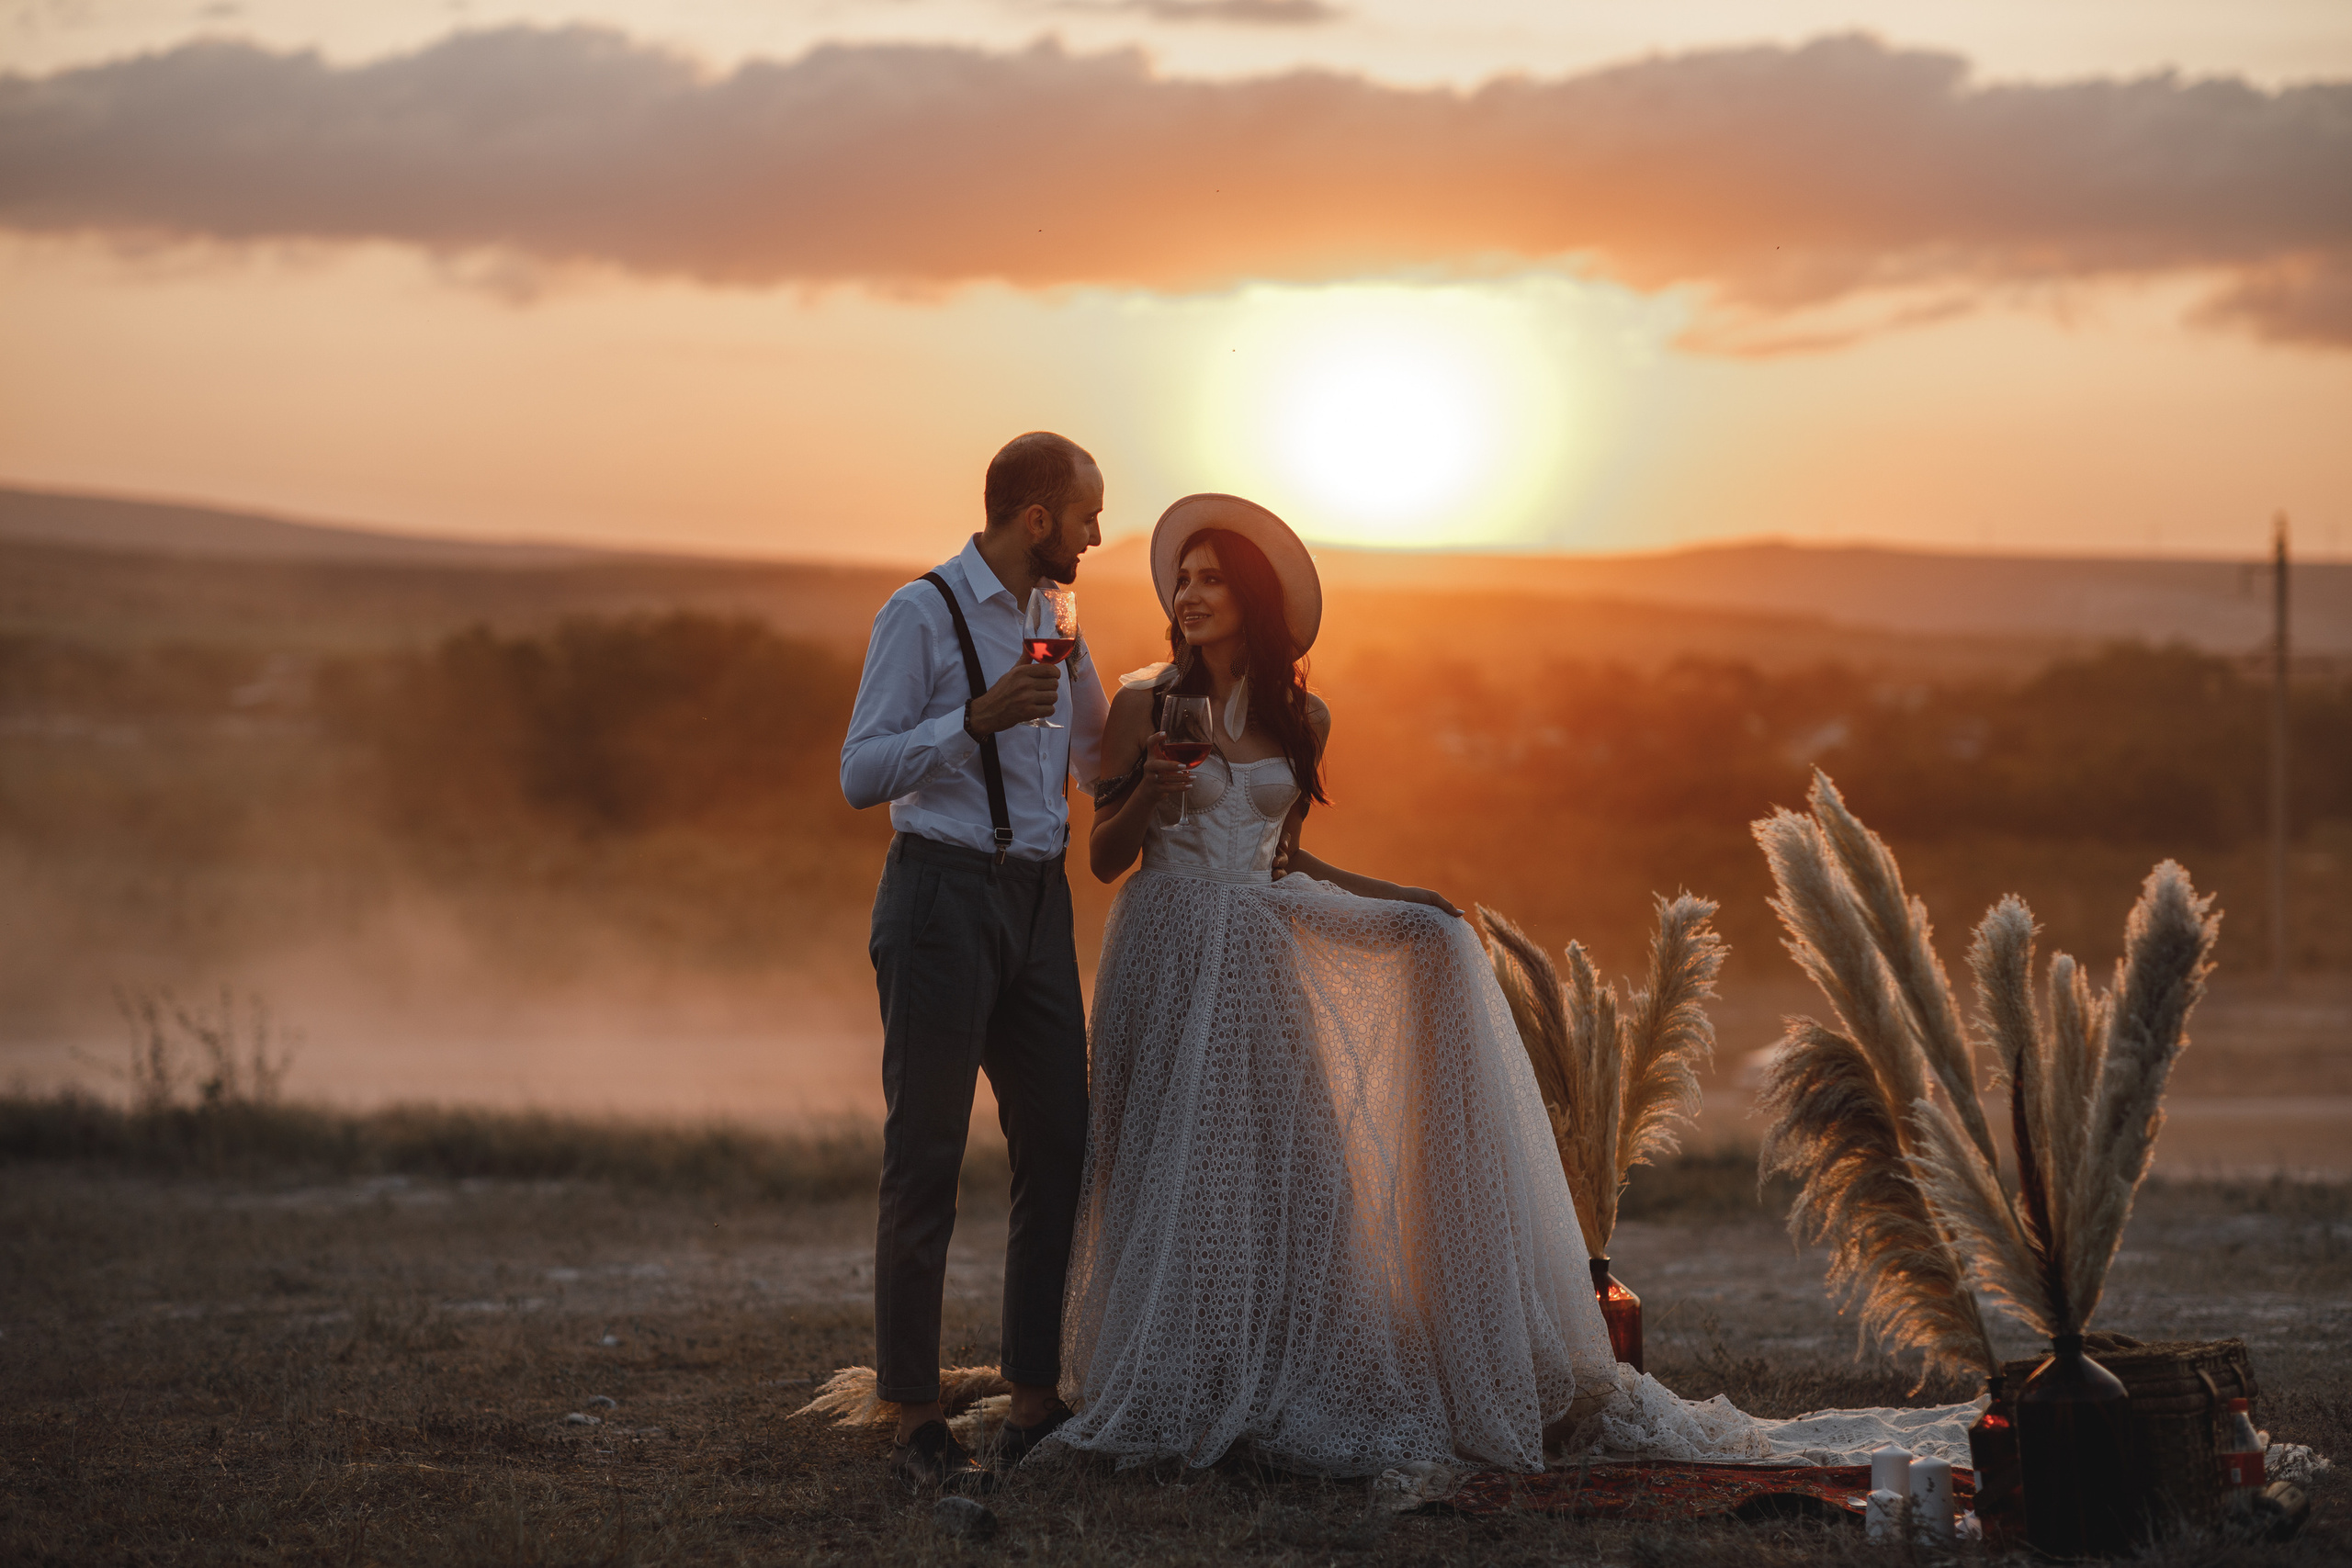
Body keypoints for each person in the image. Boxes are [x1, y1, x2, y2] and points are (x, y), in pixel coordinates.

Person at [1049, 493, 1627, 1475]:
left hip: (1261, 952)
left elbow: (1288, 865)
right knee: (1165, 1170)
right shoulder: (1146, 699)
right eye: (1181, 580)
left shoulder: (1302, 714)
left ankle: (1282, 1363)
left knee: (1295, 1166)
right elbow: (1105, 859)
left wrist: (1405, 900)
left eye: (1210, 578)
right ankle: (1172, 1377)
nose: (1188, 594)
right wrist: (1150, 783)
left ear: (1254, 597)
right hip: (1170, 940)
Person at [840, 431, 1110, 1492]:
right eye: (1087, 515)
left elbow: (1089, 761)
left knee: (1060, 1147)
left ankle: (1032, 1400)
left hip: (1040, 905)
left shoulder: (1056, 618)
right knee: (926, 1158)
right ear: (1036, 518)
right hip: (942, 896)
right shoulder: (919, 613)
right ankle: (908, 1414)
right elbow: (861, 772)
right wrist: (973, 720)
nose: (1097, 533)